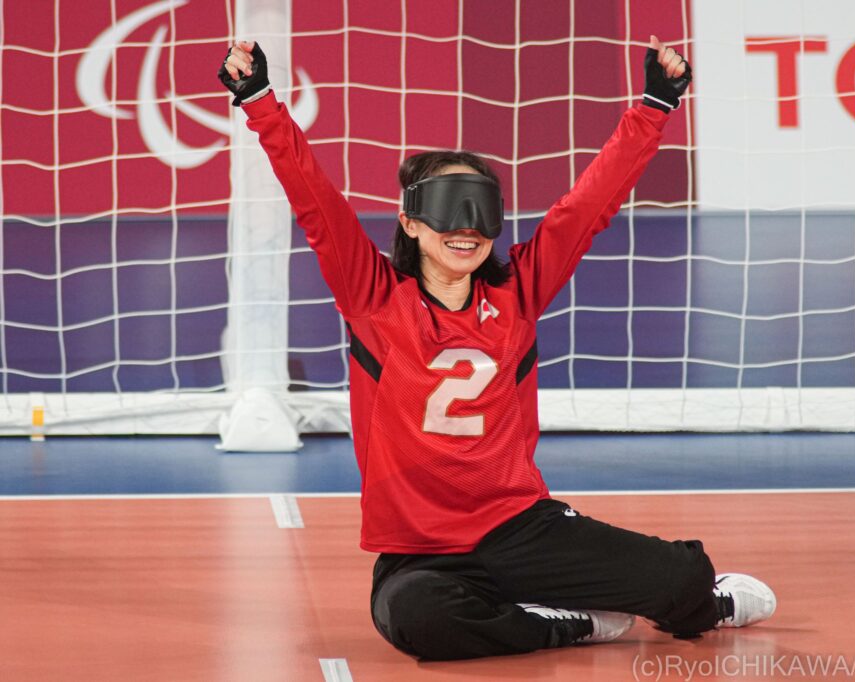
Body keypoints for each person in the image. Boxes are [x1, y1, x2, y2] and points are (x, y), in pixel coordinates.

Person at [217, 34, 776, 661]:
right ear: (409, 223)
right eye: (446, 211)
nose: (465, 229)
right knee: (417, 619)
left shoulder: (517, 294)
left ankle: (707, 602)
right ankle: (564, 624)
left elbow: (586, 207)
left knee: (682, 578)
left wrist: (653, 105)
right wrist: (260, 101)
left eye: (479, 211)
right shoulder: (374, 299)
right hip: (420, 553)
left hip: (521, 531)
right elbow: (314, 200)